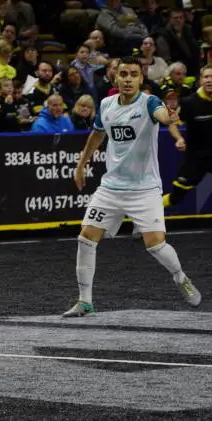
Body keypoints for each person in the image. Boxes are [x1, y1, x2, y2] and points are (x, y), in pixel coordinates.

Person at [63, 56, 201, 318]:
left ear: (141, 78)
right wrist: (81, 165)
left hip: (145, 189)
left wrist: (169, 116)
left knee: (155, 245)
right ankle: (85, 301)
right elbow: (97, 134)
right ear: (116, 77)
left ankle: (180, 277)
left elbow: (161, 115)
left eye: (133, 74)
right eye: (123, 74)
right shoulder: (105, 104)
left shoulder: (149, 102)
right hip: (111, 188)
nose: (127, 79)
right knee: (85, 238)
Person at [163, 65, 212, 208]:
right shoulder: (189, 103)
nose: (209, 80)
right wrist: (179, 138)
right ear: (200, 81)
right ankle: (142, 213)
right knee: (175, 198)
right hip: (195, 159)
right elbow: (172, 124)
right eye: (206, 77)